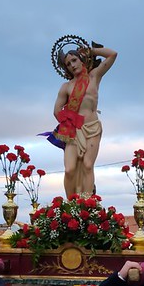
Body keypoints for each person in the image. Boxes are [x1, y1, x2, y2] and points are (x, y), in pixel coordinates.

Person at [52, 44, 117, 197]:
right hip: (74, 131)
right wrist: (72, 121)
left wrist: (91, 51)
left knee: (88, 165)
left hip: (92, 128)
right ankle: (71, 205)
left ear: (81, 60)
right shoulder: (66, 87)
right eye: (68, 64)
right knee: (69, 169)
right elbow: (56, 111)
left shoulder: (94, 76)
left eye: (74, 60)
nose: (72, 65)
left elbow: (112, 54)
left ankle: (86, 204)